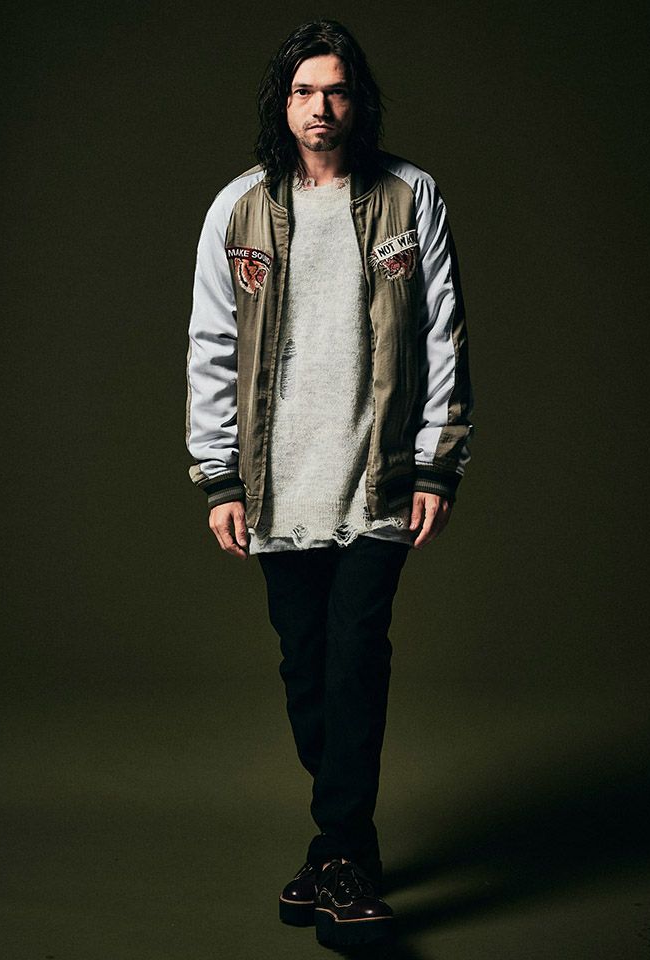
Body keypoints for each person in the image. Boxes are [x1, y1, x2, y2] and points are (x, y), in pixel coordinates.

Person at [184, 19, 473, 948]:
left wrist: (436, 462)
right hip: (276, 487)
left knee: (355, 660)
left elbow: (442, 335)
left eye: (337, 90)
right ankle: (342, 850)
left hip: (378, 479)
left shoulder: (410, 197)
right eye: (305, 91)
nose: (321, 108)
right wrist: (219, 477)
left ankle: (341, 855)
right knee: (305, 669)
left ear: (359, 100)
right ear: (284, 102)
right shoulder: (237, 210)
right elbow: (211, 345)